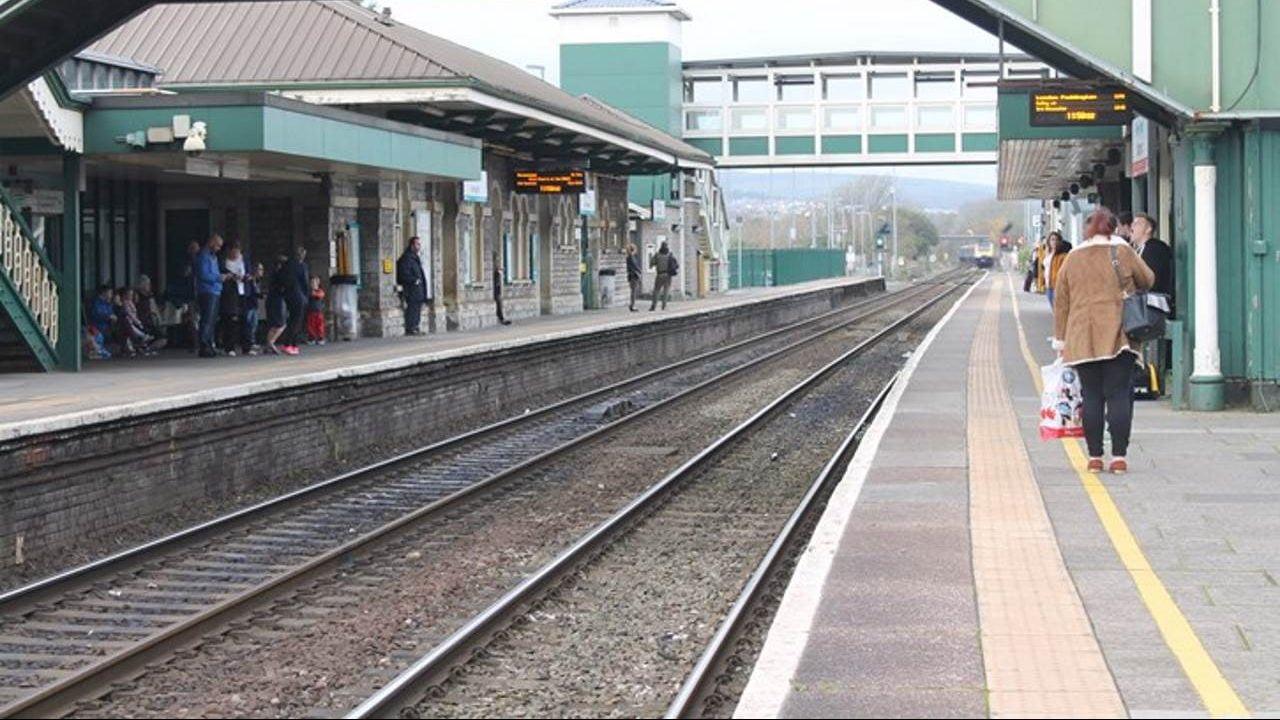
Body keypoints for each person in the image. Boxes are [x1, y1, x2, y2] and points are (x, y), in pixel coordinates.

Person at [1052, 207, 1155, 476]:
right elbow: (1148, 279)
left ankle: (1095, 457)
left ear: (1087, 229)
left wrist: (1061, 341)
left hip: (1082, 337)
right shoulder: (1121, 251)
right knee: (1118, 394)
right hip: (1118, 334)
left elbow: (1062, 303)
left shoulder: (1072, 258)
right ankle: (1119, 457)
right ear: (1111, 227)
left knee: (1092, 396)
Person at [195, 234, 229, 358]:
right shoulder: (203, 256)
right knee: (207, 319)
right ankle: (204, 345)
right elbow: (203, 275)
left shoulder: (213, 257)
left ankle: (210, 344)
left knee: (212, 320)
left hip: (215, 290)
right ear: (211, 243)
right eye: (217, 245)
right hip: (207, 291)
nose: (219, 248)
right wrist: (219, 278)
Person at [218, 240, 249, 356]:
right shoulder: (223, 262)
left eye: (238, 252)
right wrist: (231, 276)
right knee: (231, 319)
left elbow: (248, 272)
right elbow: (221, 274)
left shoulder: (244, 260)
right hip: (230, 293)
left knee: (245, 319)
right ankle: (229, 346)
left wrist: (246, 277)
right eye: (234, 252)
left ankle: (247, 346)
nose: (236, 255)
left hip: (242, 291)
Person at [1132, 213, 1172, 300]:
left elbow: (1151, 279)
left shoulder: (1155, 248)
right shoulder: (1138, 249)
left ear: (1148, 229)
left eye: (1137, 224)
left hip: (1153, 302)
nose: (1132, 227)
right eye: (1132, 223)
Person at [119, 287, 167, 356]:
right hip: (133, 324)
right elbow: (130, 315)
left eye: (132, 295)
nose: (132, 297)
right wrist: (139, 322)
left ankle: (145, 346)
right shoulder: (126, 304)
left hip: (141, 324)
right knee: (133, 329)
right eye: (130, 295)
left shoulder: (133, 304)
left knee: (161, 337)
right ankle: (142, 342)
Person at [397, 235, 428, 335]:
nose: (419, 246)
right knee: (412, 309)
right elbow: (403, 275)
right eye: (417, 244)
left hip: (418, 290)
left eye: (419, 244)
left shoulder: (415, 258)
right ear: (412, 245)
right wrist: (415, 280)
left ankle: (415, 326)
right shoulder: (407, 258)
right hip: (411, 289)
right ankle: (410, 328)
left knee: (417, 309)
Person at [1036, 231, 1071, 308]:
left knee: (1059, 310)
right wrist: (1041, 283)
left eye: (1056, 240)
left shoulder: (1062, 255)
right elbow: (1043, 270)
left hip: (1058, 286)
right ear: (1048, 241)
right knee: (1054, 309)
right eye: (1052, 239)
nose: (1054, 242)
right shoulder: (1047, 254)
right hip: (1049, 286)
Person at [264, 254, 291, 355]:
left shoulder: (274, 273)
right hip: (277, 300)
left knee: (274, 324)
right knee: (281, 324)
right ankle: (271, 342)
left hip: (272, 299)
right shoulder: (280, 274)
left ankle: (269, 344)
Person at [242, 262, 264, 355]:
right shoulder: (249, 280)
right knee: (248, 325)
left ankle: (252, 342)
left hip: (254, 304)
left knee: (254, 325)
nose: (261, 272)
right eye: (260, 269)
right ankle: (248, 345)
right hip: (248, 304)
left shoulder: (257, 281)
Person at [649, 241, 677, 311]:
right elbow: (676, 264)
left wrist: (653, 265)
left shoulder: (657, 255)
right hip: (667, 275)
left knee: (656, 290)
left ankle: (653, 306)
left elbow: (652, 263)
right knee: (666, 291)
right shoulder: (670, 255)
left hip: (659, 275)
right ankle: (664, 306)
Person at [306, 275, 326, 345]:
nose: (313, 284)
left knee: (320, 325)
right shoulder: (308, 292)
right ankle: (312, 338)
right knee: (311, 326)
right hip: (311, 311)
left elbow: (320, 295)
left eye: (315, 282)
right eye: (312, 283)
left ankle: (320, 337)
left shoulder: (320, 291)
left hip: (319, 311)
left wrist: (314, 293)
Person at [492, 250, 511, 325]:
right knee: (499, 302)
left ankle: (501, 317)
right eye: (497, 259)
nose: (497, 260)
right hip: (495, 288)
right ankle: (501, 318)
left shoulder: (496, 267)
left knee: (499, 302)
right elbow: (495, 278)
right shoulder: (494, 268)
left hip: (498, 288)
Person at [625, 243, 642, 312]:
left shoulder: (629, 257)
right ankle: (632, 305)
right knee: (634, 291)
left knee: (633, 290)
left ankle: (632, 304)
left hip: (631, 275)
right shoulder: (631, 257)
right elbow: (635, 266)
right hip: (634, 275)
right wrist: (640, 271)